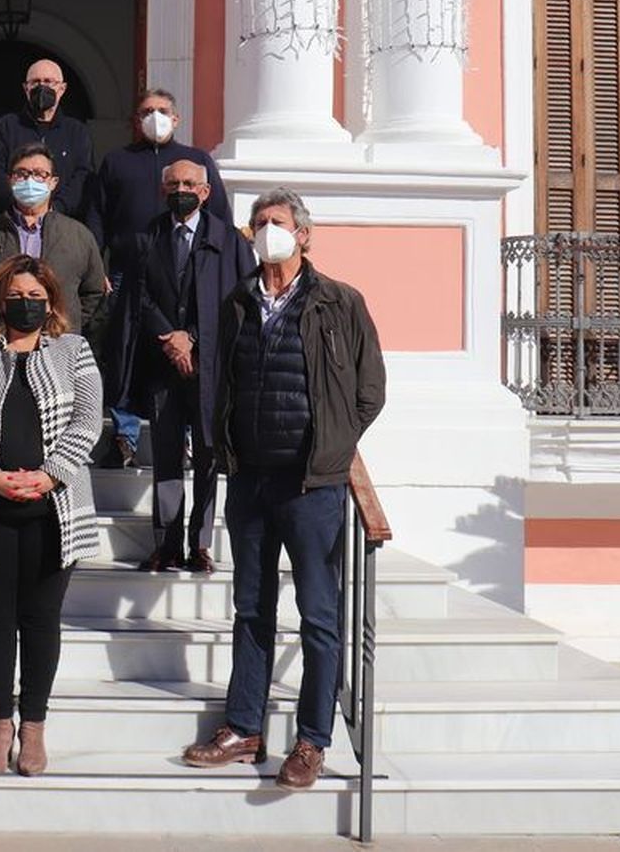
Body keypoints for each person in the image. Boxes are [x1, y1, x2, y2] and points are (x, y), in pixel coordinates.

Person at [182, 188, 385, 791]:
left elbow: (370, 390)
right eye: (260, 222)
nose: (268, 230)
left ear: (303, 235)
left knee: (319, 616)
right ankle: (243, 728)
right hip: (250, 481)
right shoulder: (239, 301)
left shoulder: (340, 302)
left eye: (278, 221)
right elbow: (223, 381)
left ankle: (312, 740)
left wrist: (333, 447)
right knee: (251, 608)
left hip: (311, 485)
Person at [0, 254, 103, 777]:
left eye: (35, 297)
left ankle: (33, 726)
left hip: (53, 509)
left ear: (51, 302)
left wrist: (51, 475)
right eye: (16, 296)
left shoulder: (74, 351)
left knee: (40, 619)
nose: (26, 304)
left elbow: (88, 420)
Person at [123, 160, 256, 574]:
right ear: (163, 189)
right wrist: (170, 337)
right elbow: (138, 296)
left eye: (189, 183)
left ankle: (199, 543)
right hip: (163, 364)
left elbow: (239, 299)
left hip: (211, 366)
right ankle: (166, 543)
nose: (181, 189)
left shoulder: (229, 241)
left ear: (205, 191)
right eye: (173, 183)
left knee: (207, 456)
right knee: (166, 456)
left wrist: (193, 338)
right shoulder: (148, 236)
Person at [92, 89, 232, 468]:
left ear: (177, 118)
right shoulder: (117, 161)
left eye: (162, 110)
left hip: (186, 272)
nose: (155, 116)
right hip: (126, 272)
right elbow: (98, 215)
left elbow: (220, 216)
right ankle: (125, 436)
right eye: (147, 111)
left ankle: (184, 436)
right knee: (125, 353)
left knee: (182, 355)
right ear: (136, 119)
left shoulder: (197, 161)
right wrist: (97, 264)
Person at [0, 143, 105, 338]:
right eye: (21, 174)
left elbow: (94, 291)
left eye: (40, 174)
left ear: (53, 182)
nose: (30, 180)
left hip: (57, 342)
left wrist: (67, 323)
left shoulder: (78, 236)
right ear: (10, 180)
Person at [0, 59, 95, 222]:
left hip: (62, 223)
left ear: (62, 89)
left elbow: (83, 177)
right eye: (35, 82)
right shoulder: (6, 127)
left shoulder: (76, 132)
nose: (41, 87)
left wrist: (56, 210)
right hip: (13, 222)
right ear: (26, 88)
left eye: (48, 82)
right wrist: (19, 207)